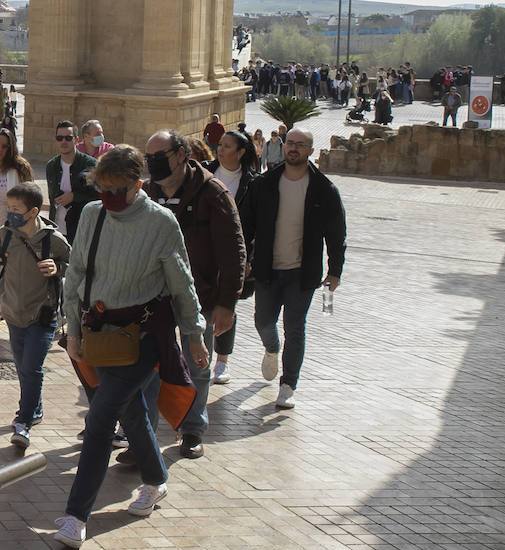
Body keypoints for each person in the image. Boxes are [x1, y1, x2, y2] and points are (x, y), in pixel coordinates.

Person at [52, 145, 206, 550]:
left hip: (143, 339)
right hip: (100, 336)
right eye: (102, 188)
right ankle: (156, 481)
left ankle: (75, 515)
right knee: (133, 414)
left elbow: (181, 283)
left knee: (102, 418)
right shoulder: (92, 214)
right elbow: (77, 273)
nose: (110, 198)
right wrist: (73, 330)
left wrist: (194, 334)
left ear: (139, 185)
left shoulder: (161, 223)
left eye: (118, 190)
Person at [137, 130, 245, 459]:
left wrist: (227, 304)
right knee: (147, 365)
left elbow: (233, 250)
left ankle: (192, 430)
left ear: (181, 155)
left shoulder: (211, 192)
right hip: (154, 298)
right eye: (149, 159)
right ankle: (144, 432)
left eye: (160, 158)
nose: (154, 165)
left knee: (197, 365)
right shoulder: (149, 193)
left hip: (200, 297)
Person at [241, 128, 347, 410]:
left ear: (311, 150)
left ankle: (288, 385)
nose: (294, 149)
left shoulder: (324, 189)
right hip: (267, 268)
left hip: (302, 272)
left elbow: (336, 235)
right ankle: (271, 348)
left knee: (295, 328)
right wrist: (245, 258)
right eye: (290, 143)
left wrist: (334, 271)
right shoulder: (264, 184)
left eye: (300, 145)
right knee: (263, 321)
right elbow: (246, 225)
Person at [0, 182, 67, 450]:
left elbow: (74, 263)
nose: (11, 213)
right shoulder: (5, 234)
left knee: (32, 368)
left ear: (33, 211)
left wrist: (57, 267)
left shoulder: (52, 239)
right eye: (9, 208)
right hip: (13, 311)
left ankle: (24, 420)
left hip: (41, 314)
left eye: (16, 209)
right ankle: (36, 407)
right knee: (24, 368)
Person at [208, 130, 259, 384]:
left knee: (226, 304)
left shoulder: (253, 183)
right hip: (203, 251)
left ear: (240, 152)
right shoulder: (204, 173)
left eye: (227, 146)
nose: (221, 150)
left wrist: (248, 257)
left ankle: (222, 360)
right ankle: (199, 355)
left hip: (233, 254)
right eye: (220, 145)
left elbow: (257, 225)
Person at [0, 128, 34, 335]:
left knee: (4, 272)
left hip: (11, 228)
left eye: (5, 146)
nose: (0, 150)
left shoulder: (19, 169)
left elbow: (31, 196)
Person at [45, 120, 99, 244]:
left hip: (82, 229)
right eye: (60, 138)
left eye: (68, 138)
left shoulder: (90, 164)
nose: (63, 141)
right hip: (57, 229)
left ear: (76, 139)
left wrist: (74, 196)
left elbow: (97, 196)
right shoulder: (51, 166)